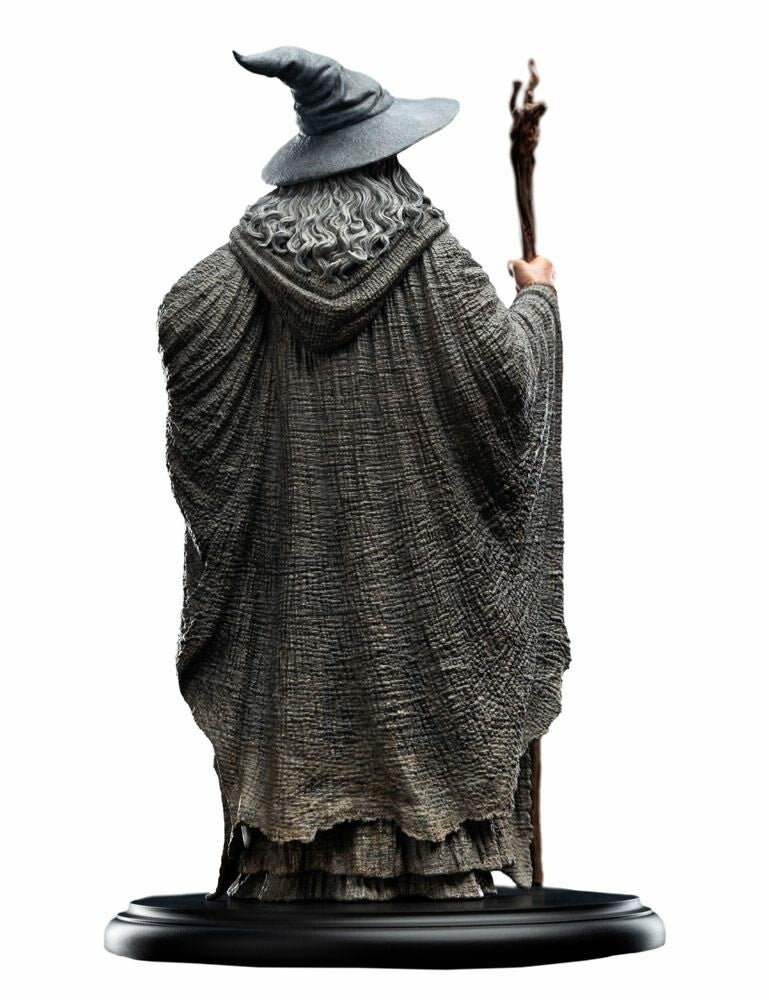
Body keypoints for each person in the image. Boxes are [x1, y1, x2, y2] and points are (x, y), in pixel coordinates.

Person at [158, 48, 569, 901]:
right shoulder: (438, 265)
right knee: (421, 696)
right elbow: (509, 377)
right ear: (384, 157)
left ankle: (302, 868)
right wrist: (538, 300)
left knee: (307, 702)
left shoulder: (234, 275)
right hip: (420, 590)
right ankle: (430, 867)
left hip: (294, 585)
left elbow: (181, 318)